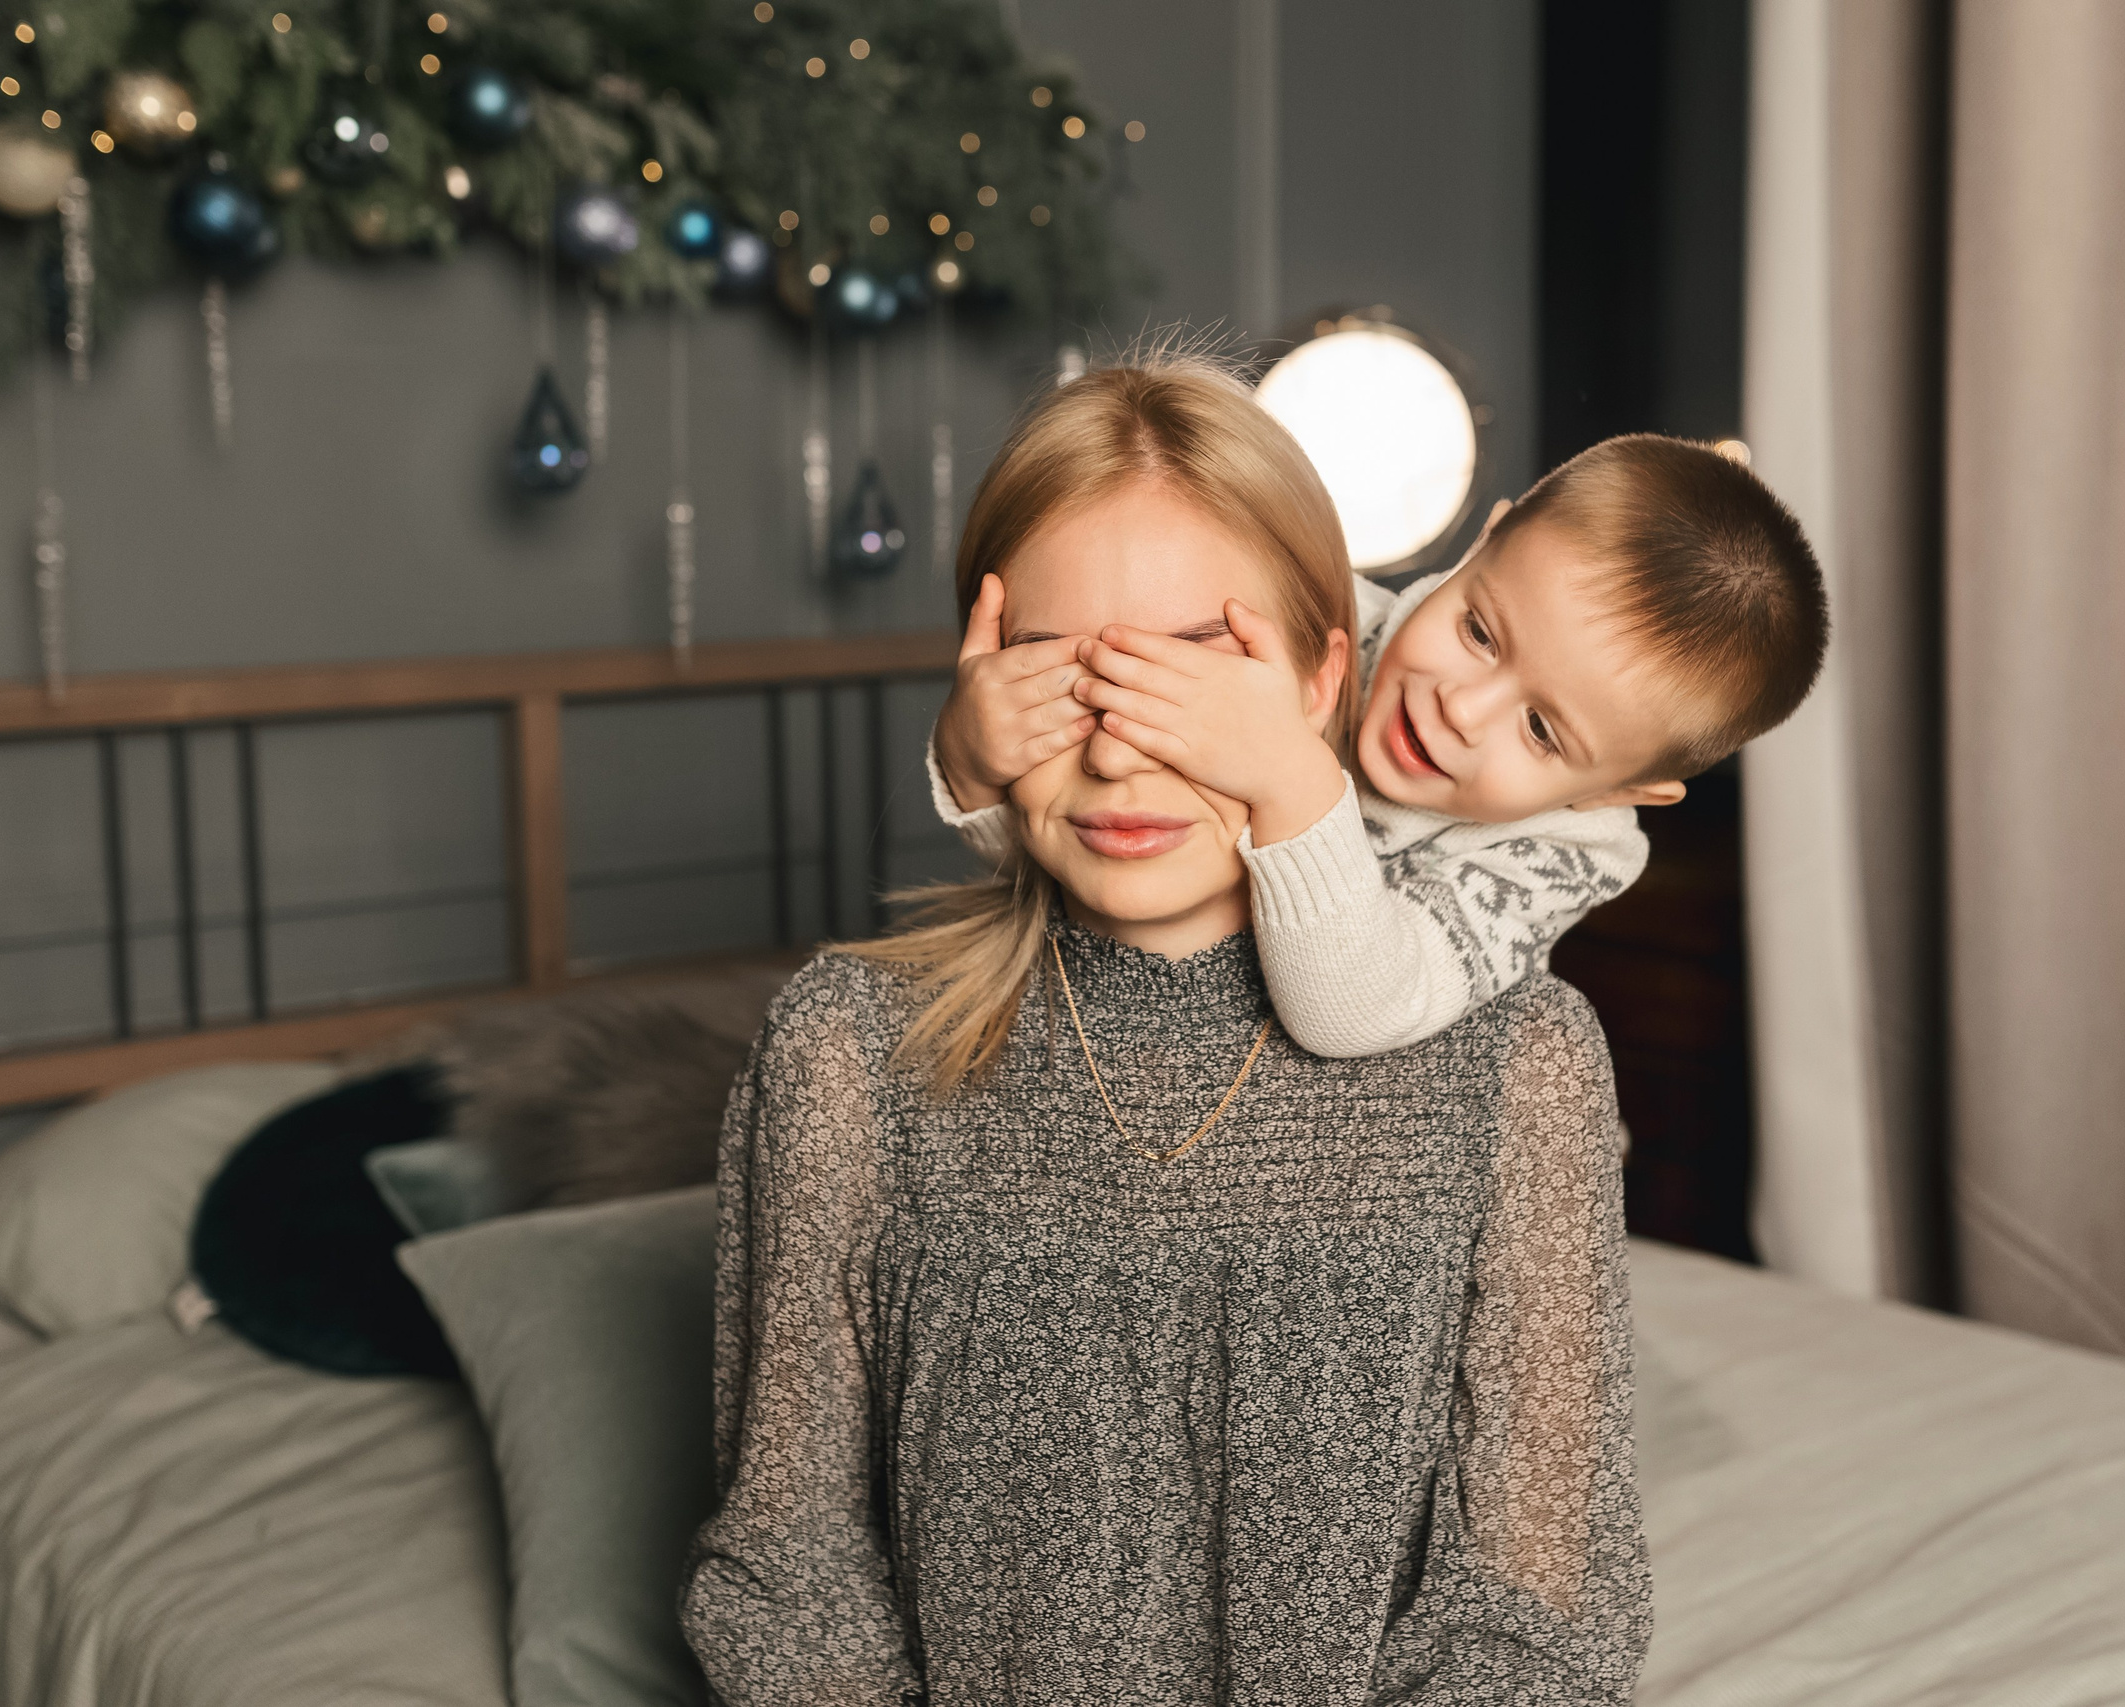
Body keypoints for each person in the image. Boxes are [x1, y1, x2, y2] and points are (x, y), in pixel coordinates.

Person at [683, 357, 1652, 1704]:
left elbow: (1536, 1604)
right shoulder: (847, 1050)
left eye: (1193, 679)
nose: (1123, 754)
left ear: (1324, 681)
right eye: (1060, 679)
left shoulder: (1517, 1062)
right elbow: (787, 1571)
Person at [931, 434, 1828, 1057]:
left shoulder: (1561, 853)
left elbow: (1351, 1013)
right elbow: (1076, 841)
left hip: (1418, 1143)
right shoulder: (1311, 625)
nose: (1462, 707)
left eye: (1542, 728)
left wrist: (1291, 776)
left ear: (1617, 791)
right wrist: (976, 766)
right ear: (1484, 539)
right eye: (1480, 630)